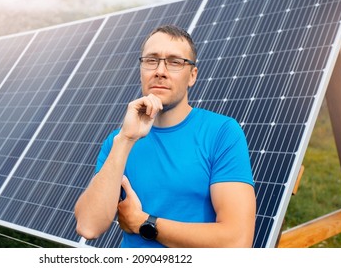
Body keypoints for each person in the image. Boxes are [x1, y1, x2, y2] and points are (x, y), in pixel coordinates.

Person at [74, 24, 256, 248]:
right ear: (141, 69)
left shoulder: (222, 133)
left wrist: (142, 222)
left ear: (192, 76)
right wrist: (126, 140)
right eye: (151, 60)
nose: (160, 70)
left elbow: (237, 242)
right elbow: (88, 226)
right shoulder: (118, 141)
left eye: (174, 62)